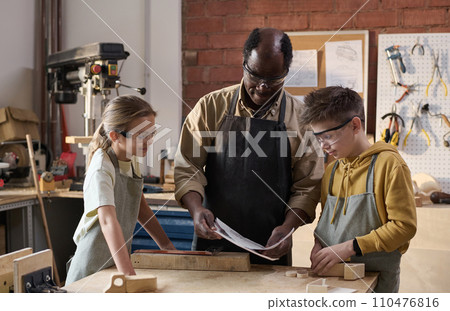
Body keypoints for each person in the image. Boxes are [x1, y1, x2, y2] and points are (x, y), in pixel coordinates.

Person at [174, 27, 323, 265]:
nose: (262, 87)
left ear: (286, 72)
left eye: (273, 79)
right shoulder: (210, 107)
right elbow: (188, 166)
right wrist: (196, 210)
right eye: (255, 75)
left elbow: (307, 187)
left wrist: (288, 228)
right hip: (213, 238)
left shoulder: (301, 118)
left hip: (272, 244)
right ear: (243, 63)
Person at [299, 86, 417, 292]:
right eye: (318, 138)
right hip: (336, 282)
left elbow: (404, 227)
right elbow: (327, 220)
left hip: (376, 282)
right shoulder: (332, 170)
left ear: (355, 125)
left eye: (328, 136)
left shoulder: (389, 164)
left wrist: (348, 247)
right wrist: (319, 242)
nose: (323, 146)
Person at [66, 95, 175, 285]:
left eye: (151, 134)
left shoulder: (131, 157)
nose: (148, 141)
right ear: (115, 136)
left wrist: (167, 246)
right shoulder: (102, 166)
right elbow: (108, 221)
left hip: (114, 266)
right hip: (90, 272)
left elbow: (140, 207)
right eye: (141, 136)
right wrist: (129, 276)